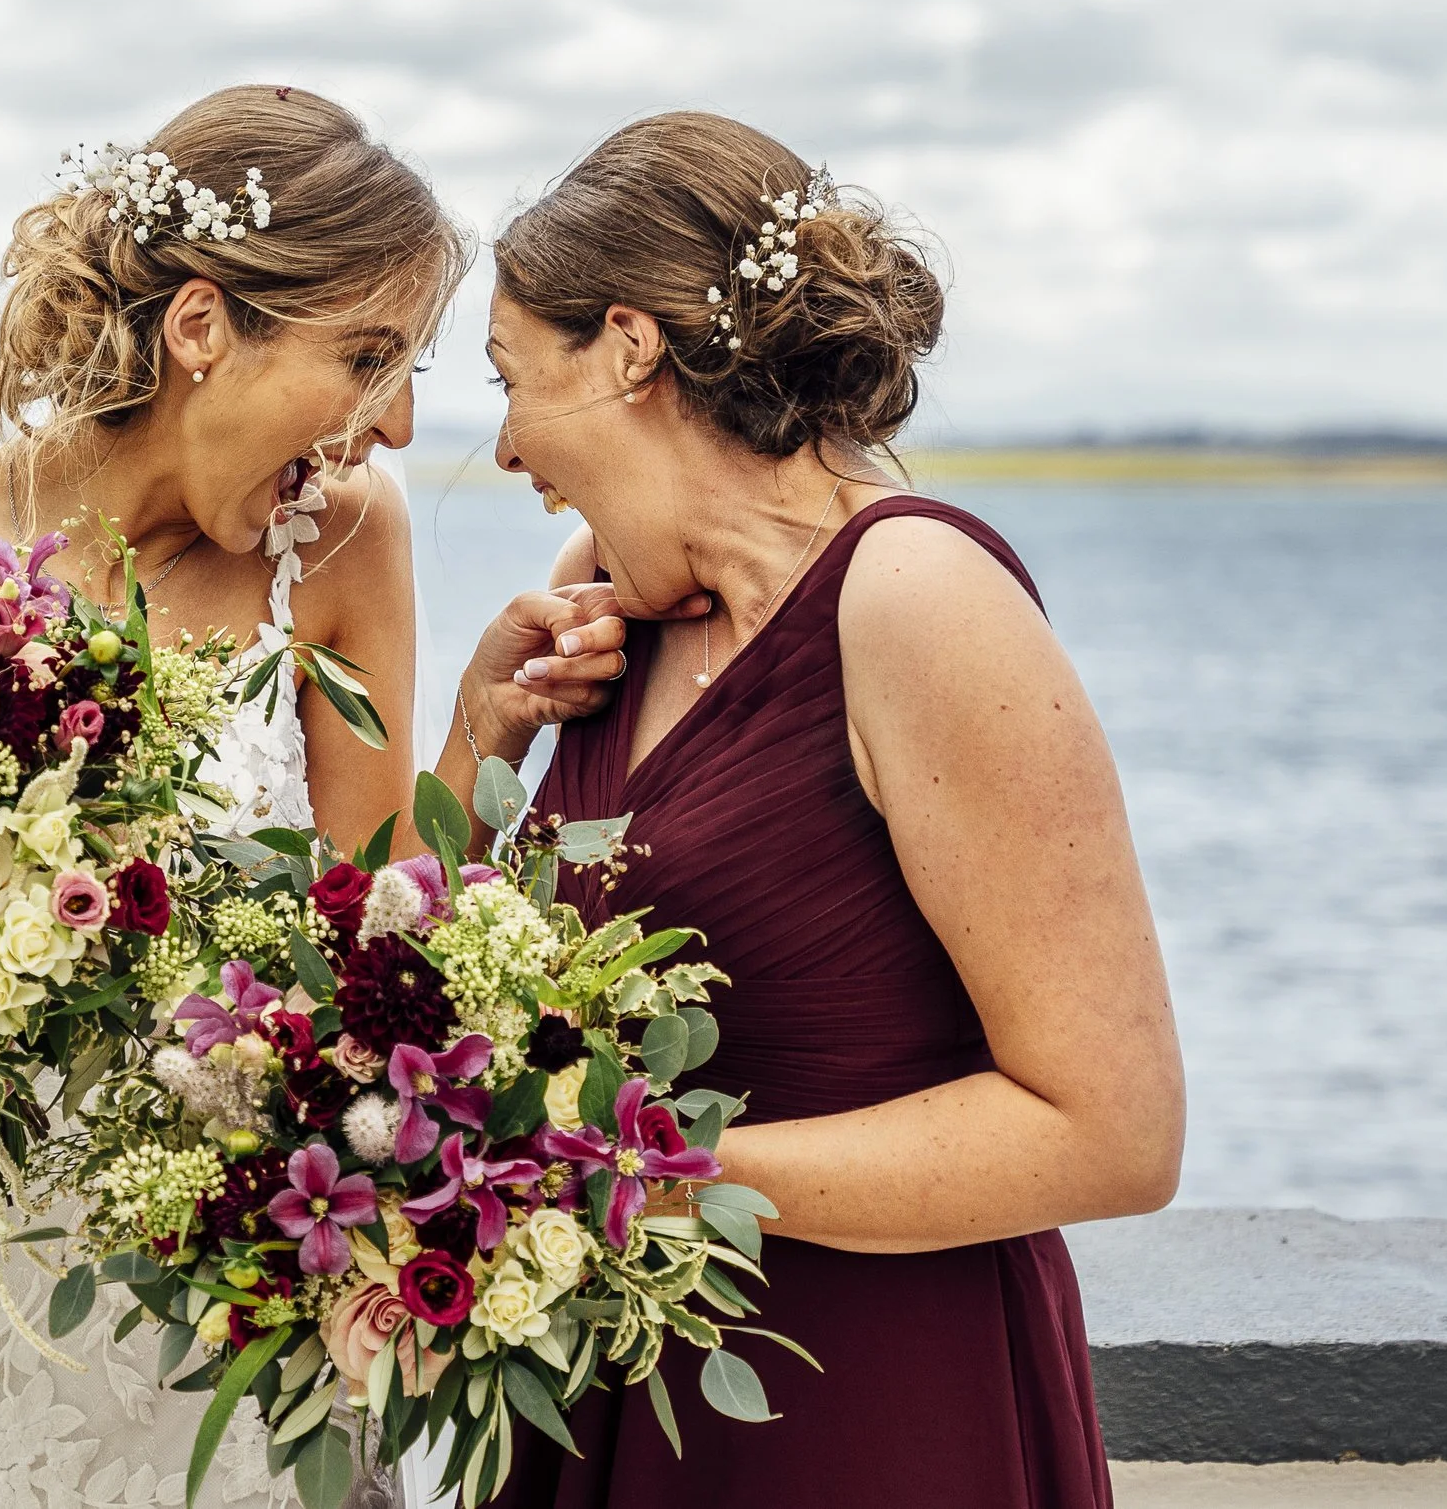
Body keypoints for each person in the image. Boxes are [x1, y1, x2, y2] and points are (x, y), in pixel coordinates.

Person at [0, 85, 470, 1509]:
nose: (401, 423)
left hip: (223, 1357)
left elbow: (383, 964)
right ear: (200, 328)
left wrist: (481, 731)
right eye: (369, 356)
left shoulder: (343, 541)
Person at [438, 112, 1184, 1507]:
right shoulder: (609, 589)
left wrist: (658, 1175)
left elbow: (1114, 1131)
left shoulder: (917, 599)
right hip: (612, 1390)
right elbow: (435, 989)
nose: (504, 447)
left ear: (627, 348)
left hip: (869, 1400)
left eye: (510, 378)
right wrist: (480, 730)